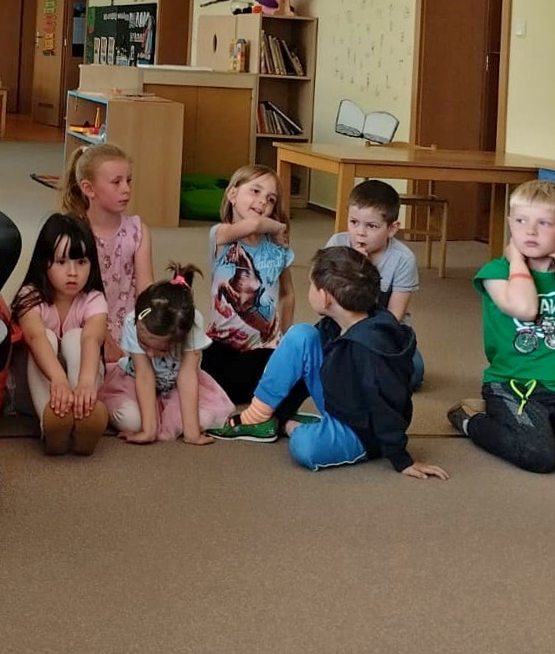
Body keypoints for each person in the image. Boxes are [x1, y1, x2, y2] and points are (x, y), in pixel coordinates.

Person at [209, 247, 448, 480]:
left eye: (311, 284)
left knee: (305, 447)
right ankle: (259, 415)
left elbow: (386, 404)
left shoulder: (369, 349)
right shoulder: (337, 322)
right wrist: (281, 411)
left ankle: (295, 427)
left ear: (325, 298)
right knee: (300, 336)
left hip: (363, 430)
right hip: (342, 397)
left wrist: (401, 458)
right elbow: (302, 368)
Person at [448, 180, 555, 473]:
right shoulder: (496, 272)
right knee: (539, 456)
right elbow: (525, 309)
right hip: (512, 385)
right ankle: (471, 419)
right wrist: (515, 260)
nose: (530, 231)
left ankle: (539, 427)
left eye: (544, 223)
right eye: (521, 221)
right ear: (510, 223)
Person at [199, 164, 307, 439]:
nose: (262, 202)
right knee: (192, 370)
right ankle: (266, 408)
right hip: (221, 347)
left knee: (302, 368)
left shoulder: (277, 248)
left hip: (262, 350)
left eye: (271, 199)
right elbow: (256, 224)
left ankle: (274, 416)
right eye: (255, 191)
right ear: (232, 194)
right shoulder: (220, 236)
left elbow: (288, 293)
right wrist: (279, 225)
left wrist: (284, 339)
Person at [101, 263, 234, 445]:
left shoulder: (193, 324)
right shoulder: (134, 321)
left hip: (175, 388)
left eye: (162, 350)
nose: (150, 354)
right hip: (135, 382)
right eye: (144, 345)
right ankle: (148, 421)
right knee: (131, 420)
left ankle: (176, 423)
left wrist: (192, 433)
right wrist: (148, 431)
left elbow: (187, 376)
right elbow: (144, 375)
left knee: (203, 418)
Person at [11, 213, 110, 455]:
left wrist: (86, 383)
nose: (72, 272)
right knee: (46, 337)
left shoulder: (94, 299)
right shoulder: (30, 296)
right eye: (61, 262)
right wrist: (58, 379)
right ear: (44, 262)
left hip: (81, 389)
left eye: (81, 262)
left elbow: (93, 338)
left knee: (78, 337)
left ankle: (84, 415)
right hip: (36, 392)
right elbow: (34, 336)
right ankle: (52, 423)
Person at [60, 143, 154, 366]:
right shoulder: (74, 232)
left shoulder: (138, 231)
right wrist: (103, 337)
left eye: (128, 180)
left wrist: (153, 328)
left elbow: (146, 291)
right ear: (88, 188)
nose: (126, 189)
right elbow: (69, 295)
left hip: (128, 329)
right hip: (85, 327)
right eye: (116, 182)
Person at [325, 179, 424, 390]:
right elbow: (324, 299)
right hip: (339, 326)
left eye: (371, 226)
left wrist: (366, 272)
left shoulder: (403, 259)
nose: (360, 232)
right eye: (354, 222)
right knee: (313, 354)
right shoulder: (337, 244)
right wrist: (353, 268)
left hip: (384, 333)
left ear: (392, 229)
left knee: (415, 370)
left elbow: (394, 316)